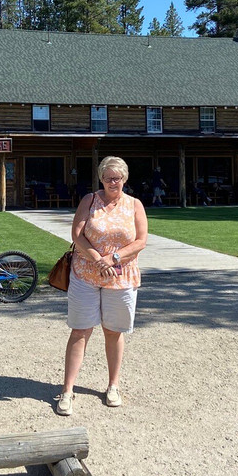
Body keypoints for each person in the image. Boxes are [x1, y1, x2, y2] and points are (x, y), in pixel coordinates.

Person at [56, 156, 147, 416]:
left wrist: (114, 258)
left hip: (121, 277)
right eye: (107, 178)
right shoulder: (90, 200)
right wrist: (98, 259)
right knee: (80, 331)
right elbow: (77, 234)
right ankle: (67, 390)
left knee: (113, 331)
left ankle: (113, 386)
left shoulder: (134, 205)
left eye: (117, 177)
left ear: (125, 178)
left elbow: (141, 241)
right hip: (86, 274)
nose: (112, 182)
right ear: (100, 178)